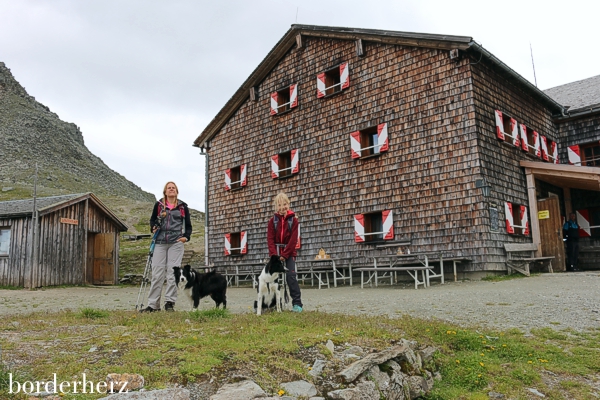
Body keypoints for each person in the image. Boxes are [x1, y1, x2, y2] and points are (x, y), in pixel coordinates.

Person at [140, 182, 192, 312]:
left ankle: (170, 302)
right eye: (169, 188)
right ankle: (153, 305)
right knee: (157, 273)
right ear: (165, 191)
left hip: (176, 242)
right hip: (160, 241)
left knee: (172, 273)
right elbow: (152, 220)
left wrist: (186, 237)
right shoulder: (159, 205)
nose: (171, 189)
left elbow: (188, 226)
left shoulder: (182, 207)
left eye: (173, 188)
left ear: (176, 191)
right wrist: (153, 227)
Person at [267, 192, 303, 313]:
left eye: (285, 204)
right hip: (275, 254)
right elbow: (270, 239)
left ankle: (297, 304)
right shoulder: (273, 221)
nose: (282, 207)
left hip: (289, 253)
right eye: (279, 205)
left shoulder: (294, 221)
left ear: (288, 204)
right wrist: (274, 256)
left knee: (291, 277)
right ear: (276, 206)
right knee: (272, 279)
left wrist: (285, 255)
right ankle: (273, 304)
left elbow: (293, 240)